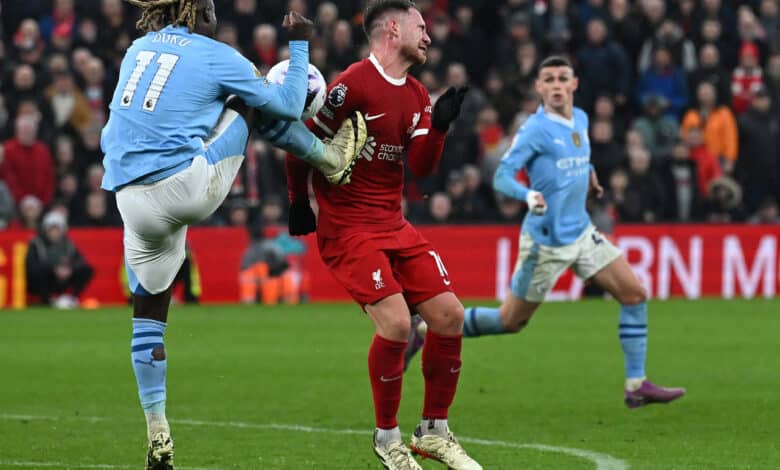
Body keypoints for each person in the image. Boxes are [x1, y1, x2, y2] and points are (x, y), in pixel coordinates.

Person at [101, 1, 366, 469]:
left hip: (129, 199)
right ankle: (330, 159)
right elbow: (284, 103)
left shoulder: (136, 49)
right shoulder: (215, 53)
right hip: (184, 187)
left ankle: (158, 431)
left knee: (148, 319)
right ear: (201, 14)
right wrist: (300, 44)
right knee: (251, 100)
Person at [405, 56, 685, 410]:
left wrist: (592, 177)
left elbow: (579, 156)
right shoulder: (535, 129)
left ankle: (636, 385)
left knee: (634, 294)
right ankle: (424, 331)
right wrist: (527, 194)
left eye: (561, 78)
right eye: (548, 79)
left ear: (573, 84)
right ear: (539, 87)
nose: (555, 84)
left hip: (582, 234)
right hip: (545, 243)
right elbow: (502, 175)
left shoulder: (580, 118)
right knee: (509, 321)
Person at [285, 1, 479, 469]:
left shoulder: (415, 96)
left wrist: (441, 127)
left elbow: (420, 169)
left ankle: (433, 431)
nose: (428, 37)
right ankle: (387, 438)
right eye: (421, 27)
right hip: (349, 229)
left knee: (450, 315)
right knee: (396, 323)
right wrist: (299, 202)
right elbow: (300, 144)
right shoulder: (352, 83)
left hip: (394, 224)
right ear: (393, 28)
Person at [25, 211, 94, 308]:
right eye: (51, 229)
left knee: (87, 270)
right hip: (44, 280)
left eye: (57, 229)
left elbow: (80, 261)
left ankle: (72, 298)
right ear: (45, 230)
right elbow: (31, 265)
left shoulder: (68, 244)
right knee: (38, 272)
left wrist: (70, 269)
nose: (54, 233)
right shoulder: (36, 243)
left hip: (63, 278)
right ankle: (46, 300)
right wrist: (53, 269)